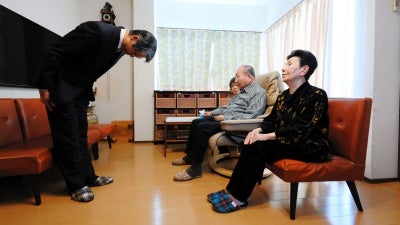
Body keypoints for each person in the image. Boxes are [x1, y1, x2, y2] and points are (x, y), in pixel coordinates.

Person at [35, 21, 157, 202]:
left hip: (80, 91)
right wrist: (44, 86)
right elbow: (55, 52)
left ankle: (88, 177)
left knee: (80, 135)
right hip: (61, 88)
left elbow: (89, 65)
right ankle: (76, 185)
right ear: (134, 37)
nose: (133, 56)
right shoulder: (97, 31)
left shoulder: (121, 48)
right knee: (67, 137)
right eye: (136, 53)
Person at [207, 49, 331, 213]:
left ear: (304, 70)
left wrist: (266, 136)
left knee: (258, 146)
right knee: (250, 141)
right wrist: (257, 130)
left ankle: (239, 199)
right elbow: (271, 120)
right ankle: (230, 191)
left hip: (309, 144)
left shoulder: (316, 95)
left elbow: (302, 129)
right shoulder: (284, 96)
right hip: (287, 142)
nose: (283, 68)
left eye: (289, 64)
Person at [172, 65, 267, 181]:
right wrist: (212, 113)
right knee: (196, 122)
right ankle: (190, 157)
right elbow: (227, 108)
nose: (235, 80)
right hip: (226, 120)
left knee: (202, 128)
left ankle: (195, 169)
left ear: (249, 76)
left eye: (238, 76)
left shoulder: (258, 93)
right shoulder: (243, 92)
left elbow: (252, 116)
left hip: (235, 126)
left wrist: (225, 117)